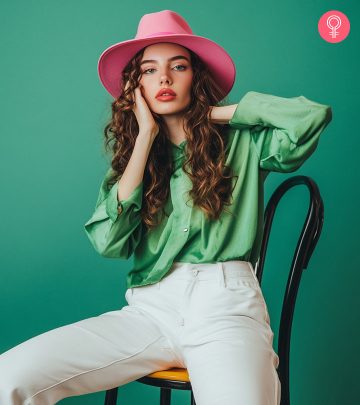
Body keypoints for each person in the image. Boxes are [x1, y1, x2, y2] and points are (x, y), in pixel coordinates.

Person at [0, 9, 332, 405]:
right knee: (10, 376)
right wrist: (144, 137)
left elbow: (311, 118)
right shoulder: (134, 163)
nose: (165, 79)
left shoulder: (244, 143)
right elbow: (109, 243)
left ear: (197, 77)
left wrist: (212, 115)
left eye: (179, 66)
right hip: (150, 310)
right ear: (135, 87)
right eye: (149, 70)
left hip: (225, 307)